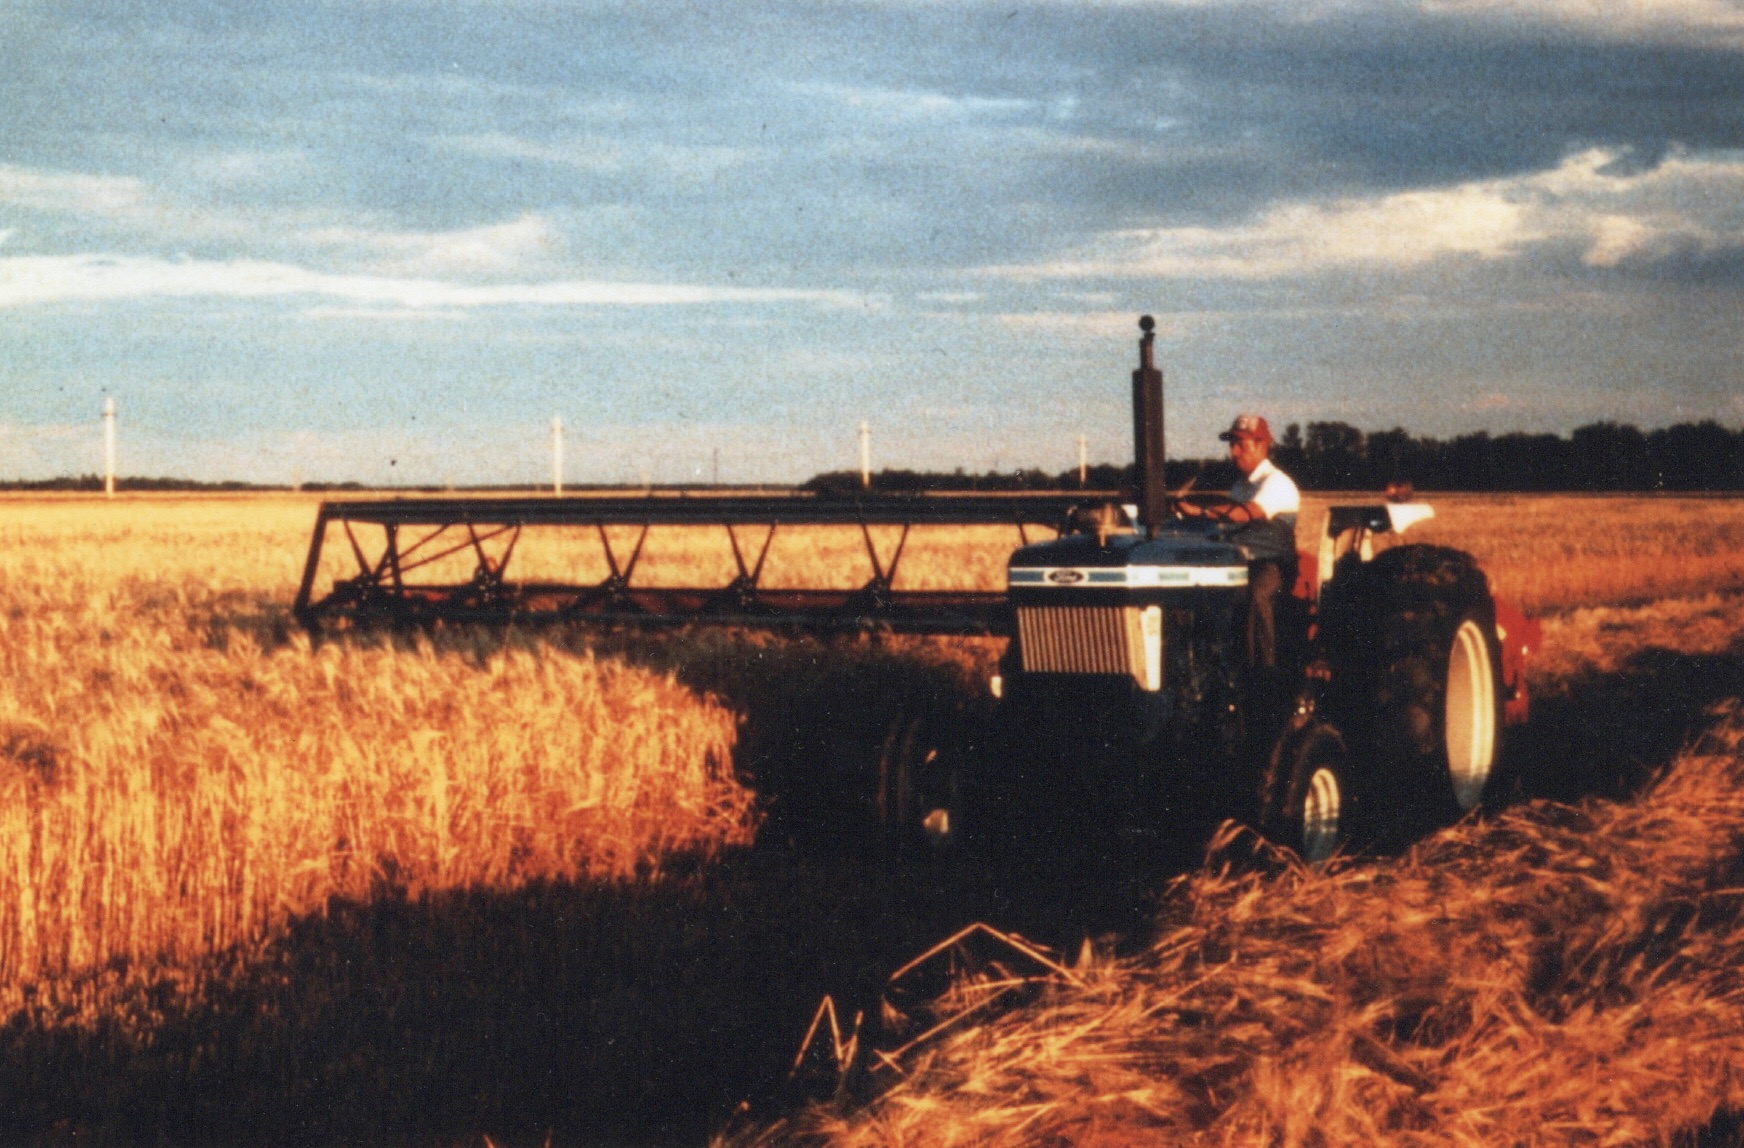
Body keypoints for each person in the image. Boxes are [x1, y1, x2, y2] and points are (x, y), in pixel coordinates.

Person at [1175, 414, 1301, 668]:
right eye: (1232, 444)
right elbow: (1226, 523)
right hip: (1239, 562)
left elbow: (1247, 513)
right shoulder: (1240, 487)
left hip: (1271, 564)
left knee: (1256, 594)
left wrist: (1200, 512)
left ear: (1262, 445)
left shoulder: (1277, 483)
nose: (1233, 452)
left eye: (1241, 445)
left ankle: (1261, 672)